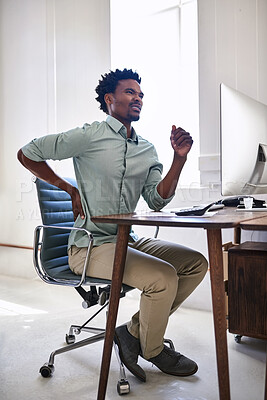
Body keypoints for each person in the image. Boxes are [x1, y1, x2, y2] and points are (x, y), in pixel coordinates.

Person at [17, 68, 208, 382]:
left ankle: (132, 333)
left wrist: (179, 159)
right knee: (162, 276)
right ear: (110, 99)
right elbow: (28, 153)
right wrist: (67, 188)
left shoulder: (146, 149)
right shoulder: (89, 135)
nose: (138, 99)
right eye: (130, 93)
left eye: (141, 95)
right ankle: (154, 349)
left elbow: (157, 200)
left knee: (195, 264)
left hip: (127, 240)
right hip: (90, 246)